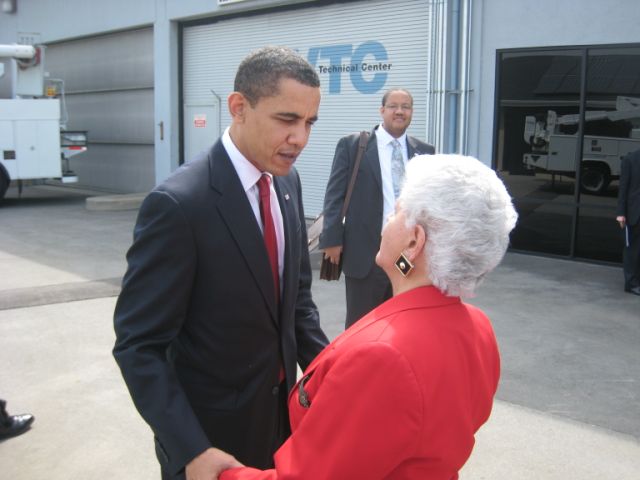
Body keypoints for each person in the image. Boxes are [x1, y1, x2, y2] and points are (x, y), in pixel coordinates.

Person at [217, 154, 518, 480]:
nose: (386, 221)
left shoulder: (382, 357)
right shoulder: (478, 327)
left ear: (414, 241)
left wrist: (220, 474)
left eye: (396, 212)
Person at [112, 46, 329, 480]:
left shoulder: (288, 183)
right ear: (238, 107)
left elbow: (297, 302)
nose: (300, 139)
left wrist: (334, 374)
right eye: (287, 120)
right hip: (211, 441)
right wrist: (191, 449)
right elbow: (139, 346)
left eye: (309, 123)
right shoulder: (178, 205)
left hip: (283, 422)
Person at [319, 88, 435, 328]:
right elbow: (334, 195)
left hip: (406, 255)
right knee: (362, 323)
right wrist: (332, 239)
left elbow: (429, 201)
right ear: (382, 110)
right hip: (365, 252)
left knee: (402, 319)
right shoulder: (354, 146)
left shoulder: (424, 152)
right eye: (393, 106)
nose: (400, 111)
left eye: (406, 107)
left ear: (412, 112)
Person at [616, 149, 640, 295]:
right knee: (632, 251)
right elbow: (623, 188)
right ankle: (631, 284)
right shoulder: (630, 159)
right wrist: (620, 213)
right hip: (634, 213)